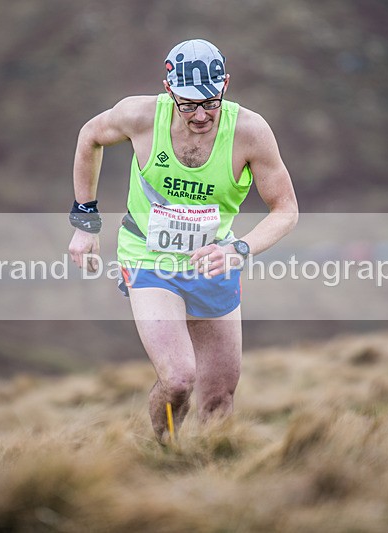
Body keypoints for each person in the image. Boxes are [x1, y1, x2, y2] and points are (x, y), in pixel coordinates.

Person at [68, 39, 298, 443]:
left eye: (210, 102)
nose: (200, 115)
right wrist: (85, 222)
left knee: (219, 398)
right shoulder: (140, 115)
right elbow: (90, 136)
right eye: (188, 104)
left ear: (225, 85)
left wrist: (239, 249)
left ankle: (213, 477)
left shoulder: (250, 132)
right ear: (168, 89)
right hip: (147, 256)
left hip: (212, 260)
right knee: (177, 380)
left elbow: (286, 210)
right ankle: (164, 452)